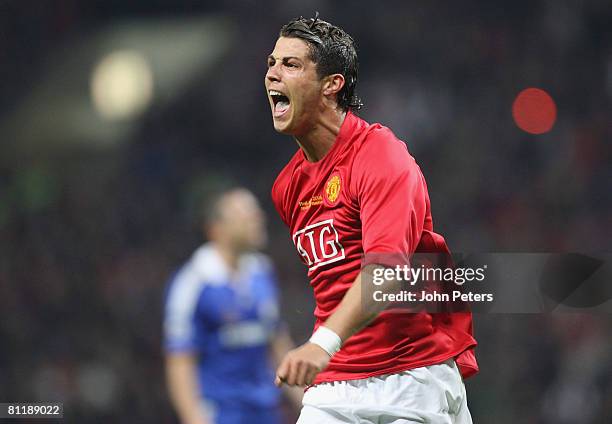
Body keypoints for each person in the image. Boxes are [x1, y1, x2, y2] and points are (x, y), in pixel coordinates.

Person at [265, 14, 479, 423]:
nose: (273, 74)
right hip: (335, 383)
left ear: (332, 84)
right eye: (271, 63)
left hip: (413, 377)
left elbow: (387, 273)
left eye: (290, 64)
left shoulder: (381, 156)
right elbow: (334, 283)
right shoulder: (287, 188)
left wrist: (320, 343)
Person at [163, 187, 301, 424]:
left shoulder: (262, 271)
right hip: (220, 413)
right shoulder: (193, 282)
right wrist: (193, 418)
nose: (258, 220)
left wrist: (304, 400)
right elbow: (179, 360)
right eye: (246, 215)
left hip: (265, 410)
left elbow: (276, 342)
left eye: (256, 213)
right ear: (216, 229)